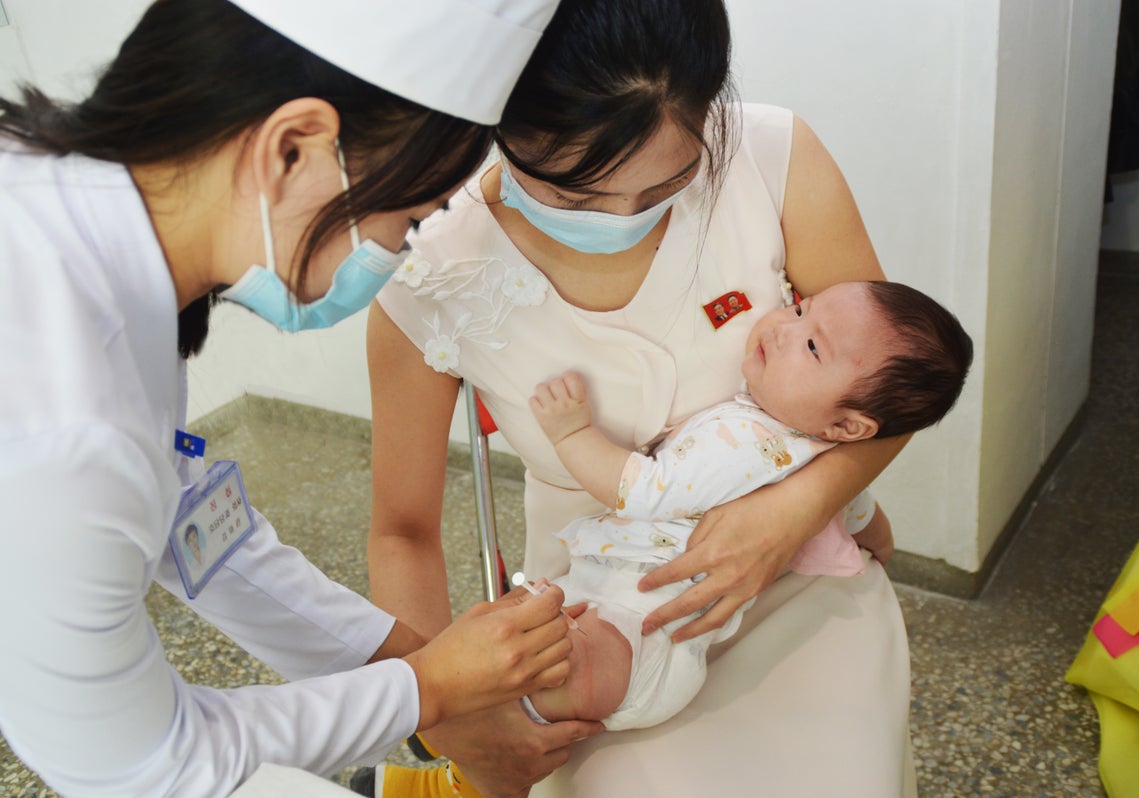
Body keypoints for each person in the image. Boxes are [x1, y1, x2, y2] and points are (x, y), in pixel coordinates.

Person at [0, 0, 574, 796]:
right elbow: (141, 765)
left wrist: (425, 676)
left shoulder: (83, 221)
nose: (398, 260)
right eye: (405, 224)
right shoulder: (63, 420)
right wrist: (427, 692)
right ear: (293, 148)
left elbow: (197, 529)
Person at [365, 0, 922, 794]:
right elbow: (403, 532)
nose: (626, 216)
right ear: (494, 124)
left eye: (670, 181)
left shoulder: (772, 157)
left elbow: (891, 387)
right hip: (601, 611)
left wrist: (787, 518)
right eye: (578, 197)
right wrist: (452, 719)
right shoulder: (432, 273)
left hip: (796, 565)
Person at [521, 280, 972, 732]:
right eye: (799, 311)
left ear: (849, 425)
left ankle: (532, 709)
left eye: (813, 347)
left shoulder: (746, 444)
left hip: (641, 623)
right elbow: (862, 516)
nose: (781, 330)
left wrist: (571, 434)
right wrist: (882, 546)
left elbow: (643, 491)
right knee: (530, 642)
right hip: (633, 607)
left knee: (561, 665)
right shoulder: (817, 458)